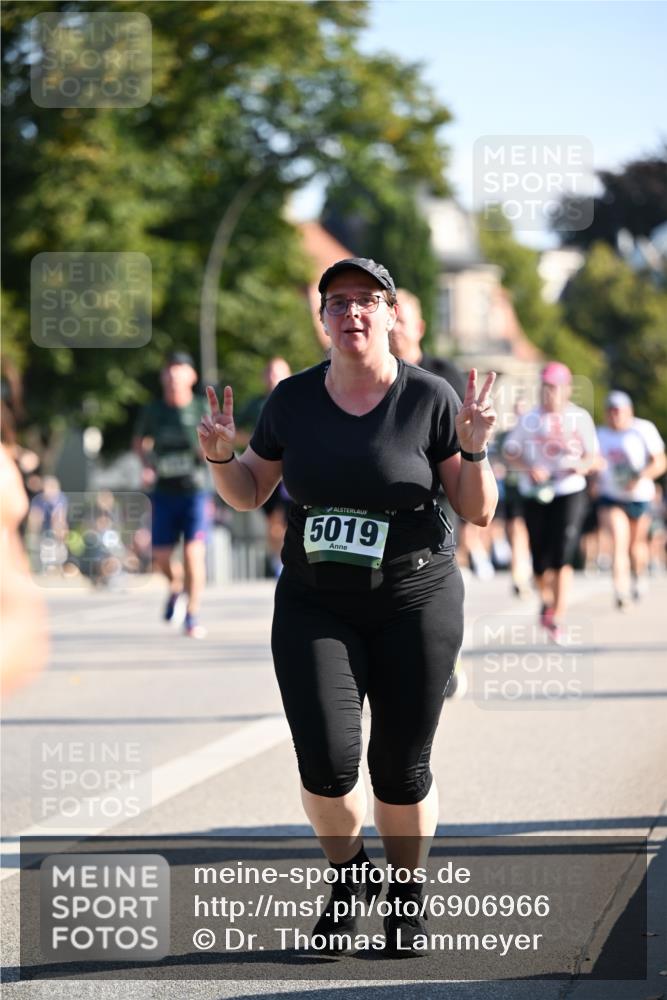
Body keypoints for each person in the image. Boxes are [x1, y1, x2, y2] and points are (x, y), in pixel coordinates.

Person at [197, 257, 498, 954]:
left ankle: (404, 894)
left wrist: (475, 453)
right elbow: (250, 490)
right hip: (314, 602)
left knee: (399, 768)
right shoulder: (292, 401)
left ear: (391, 314)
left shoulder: (429, 399)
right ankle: (348, 875)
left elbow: (476, 512)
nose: (352, 313)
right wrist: (220, 459)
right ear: (322, 319)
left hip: (413, 598)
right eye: (337, 303)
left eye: (366, 300)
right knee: (327, 766)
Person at [504, 361, 598, 642]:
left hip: (569, 489)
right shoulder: (529, 419)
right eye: (546, 388)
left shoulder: (579, 418)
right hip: (536, 492)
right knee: (540, 559)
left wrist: (580, 465)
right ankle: (546, 601)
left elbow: (594, 458)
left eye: (555, 389)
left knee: (563, 552)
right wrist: (529, 467)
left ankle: (557, 616)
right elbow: (510, 452)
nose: (550, 394)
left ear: (567, 390)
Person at [133, 351, 212, 638]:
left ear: (191, 376)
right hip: (164, 492)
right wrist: (146, 466)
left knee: (193, 554)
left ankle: (192, 614)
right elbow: (140, 442)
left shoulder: (202, 407)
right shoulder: (153, 410)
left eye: (180, 369)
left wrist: (207, 454)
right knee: (160, 557)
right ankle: (176, 585)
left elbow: (216, 442)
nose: (173, 375)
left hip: (195, 492)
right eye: (169, 369)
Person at [595, 390, 666, 608]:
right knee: (619, 540)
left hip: (639, 495)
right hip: (611, 496)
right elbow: (593, 461)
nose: (614, 416)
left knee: (636, 546)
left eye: (618, 411)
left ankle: (639, 574)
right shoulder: (600, 433)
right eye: (611, 411)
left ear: (628, 411)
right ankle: (621, 590)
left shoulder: (643, 429)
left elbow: (660, 461)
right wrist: (594, 476)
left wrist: (640, 477)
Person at [236, 357, 293, 577]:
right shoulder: (255, 404)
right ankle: (278, 562)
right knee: (273, 522)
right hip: (266, 468)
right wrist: (260, 441)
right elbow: (235, 433)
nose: (273, 377)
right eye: (269, 372)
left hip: (289, 471)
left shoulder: (295, 399)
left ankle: (287, 561)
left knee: (287, 519)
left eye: (278, 372)